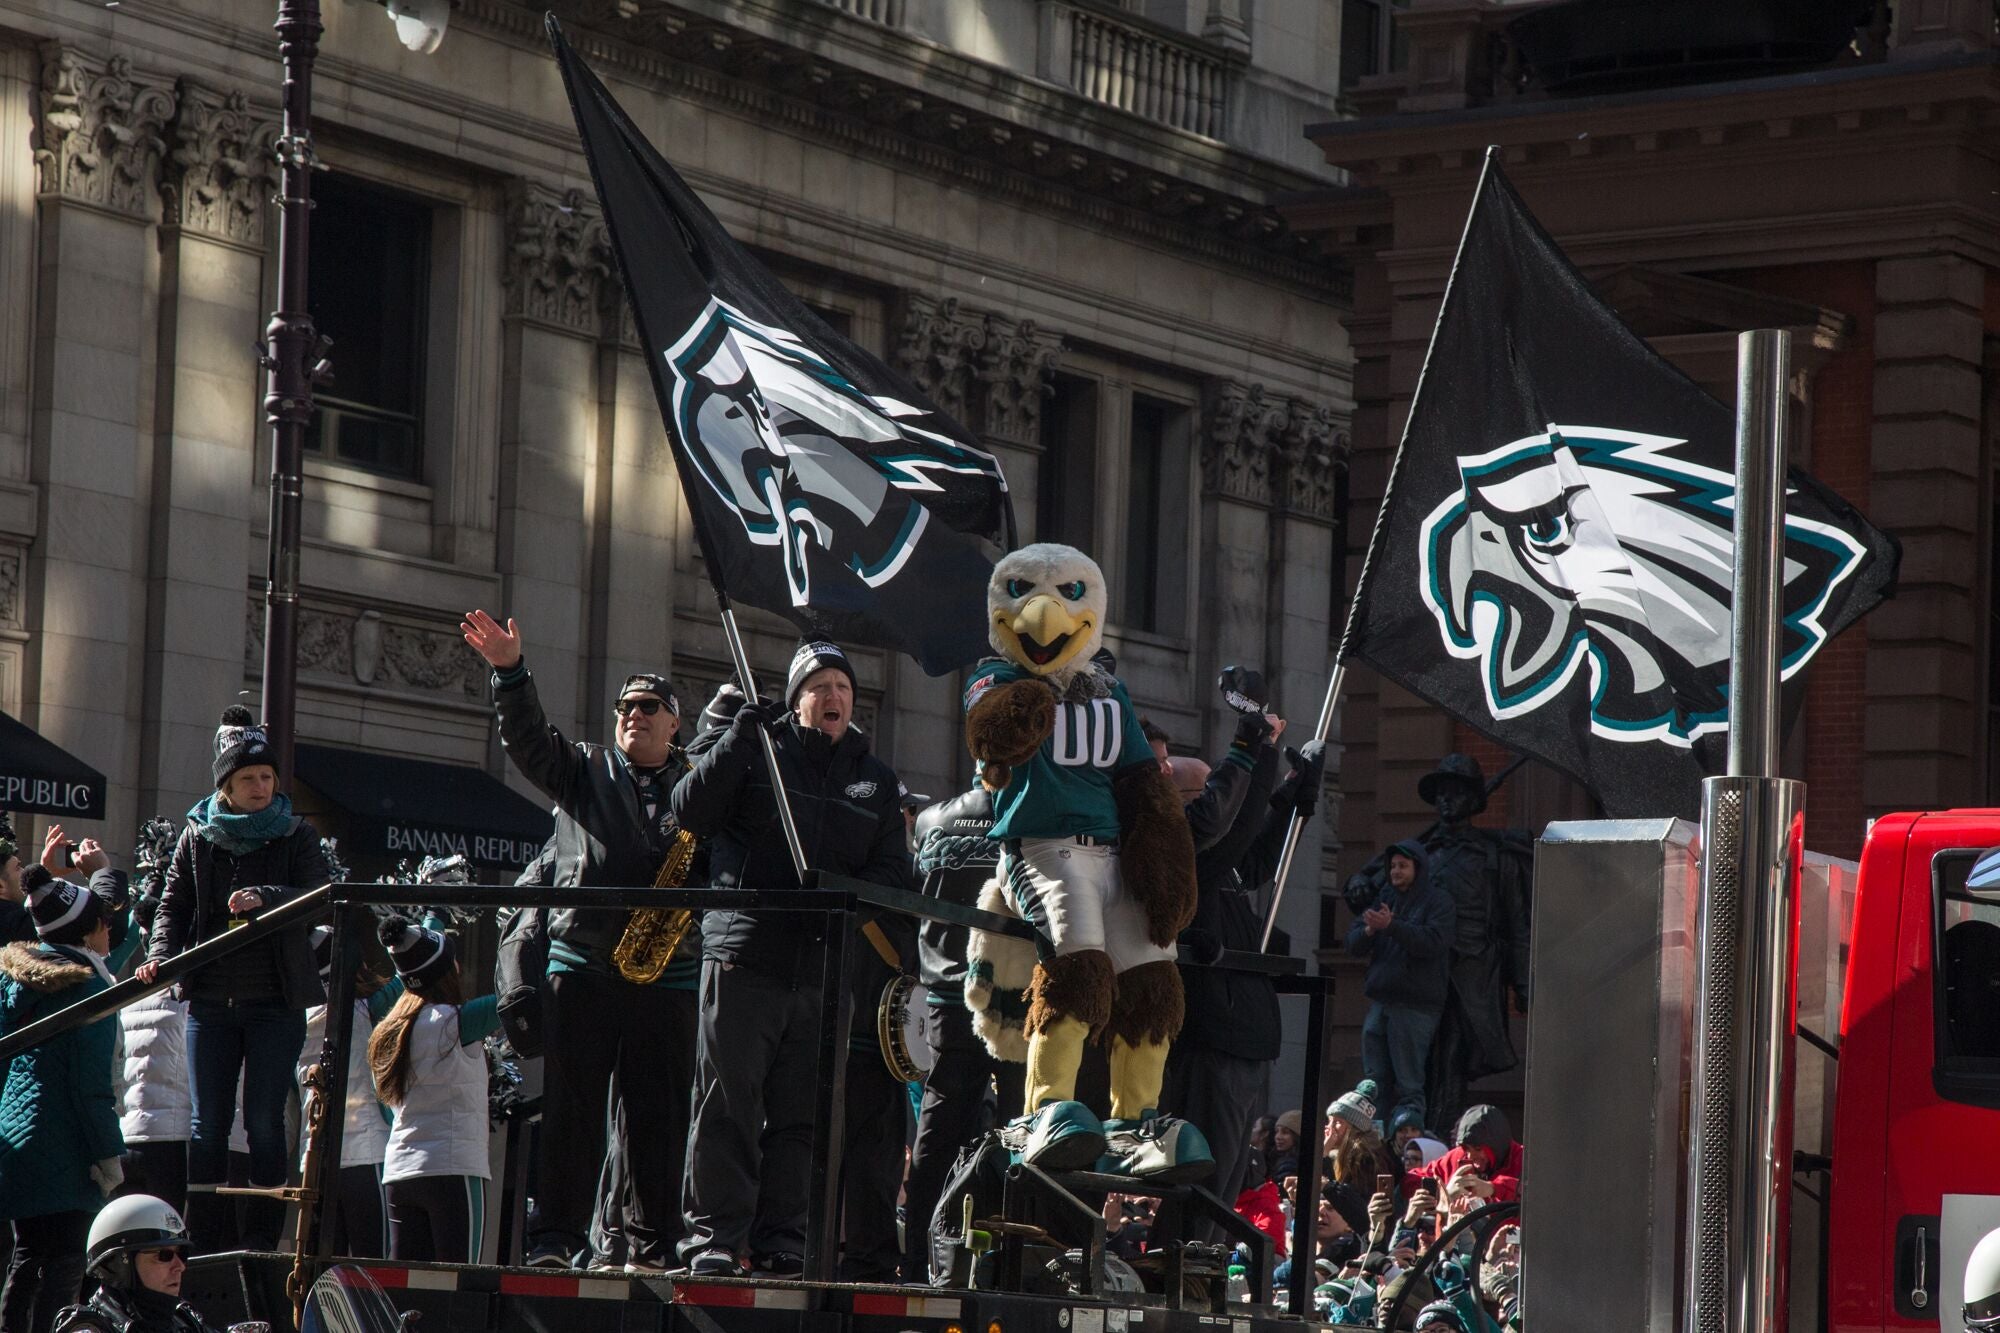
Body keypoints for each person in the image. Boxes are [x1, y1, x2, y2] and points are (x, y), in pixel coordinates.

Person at [462, 608, 696, 1272]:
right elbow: (531, 740)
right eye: (626, 705)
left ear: (675, 723)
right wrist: (511, 672)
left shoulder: (697, 788)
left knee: (659, 1119)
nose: (634, 713)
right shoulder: (587, 769)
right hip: (583, 967)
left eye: (650, 706)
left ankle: (653, 1246)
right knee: (571, 1116)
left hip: (667, 975)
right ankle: (556, 1240)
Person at [672, 640, 912, 1277]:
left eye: (843, 688)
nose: (833, 697)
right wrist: (737, 739)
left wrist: (840, 892)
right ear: (796, 697)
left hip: (823, 971)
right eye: (819, 686)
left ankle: (783, 1240)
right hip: (746, 956)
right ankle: (715, 1239)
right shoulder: (759, 749)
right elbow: (688, 811)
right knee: (727, 1104)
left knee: (803, 1120)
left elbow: (892, 871)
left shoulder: (876, 779)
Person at [135, 707, 328, 1252]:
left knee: (265, 1120)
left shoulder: (296, 834)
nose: (261, 786)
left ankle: (263, 1242)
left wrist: (267, 897)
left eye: (267, 777)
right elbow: (173, 903)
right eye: (249, 778)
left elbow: (322, 899)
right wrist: (160, 954)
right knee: (208, 1124)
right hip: (213, 1002)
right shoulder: (197, 836)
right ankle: (203, 1243)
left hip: (276, 1002)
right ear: (226, 784)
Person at [902, 782, 1022, 1280]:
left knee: (939, 1131)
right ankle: (1014, 1262)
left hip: (946, 995)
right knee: (1023, 1133)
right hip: (1011, 996)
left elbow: (913, 902)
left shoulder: (932, 819)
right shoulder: (1031, 815)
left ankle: (914, 1261)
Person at [1, 871, 124, 1333]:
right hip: (67, 1143)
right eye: (105, 923)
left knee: (28, 1255)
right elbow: (90, 1086)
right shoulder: (89, 989)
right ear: (88, 931)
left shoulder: (15, 980)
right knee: (67, 1261)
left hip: (15, 1137)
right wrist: (107, 1154)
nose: (111, 930)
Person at [368, 916, 500, 1264]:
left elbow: (385, 1105)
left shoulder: (387, 1032)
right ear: (448, 970)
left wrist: (430, 924)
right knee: (457, 1286)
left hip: (399, 1173)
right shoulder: (461, 1021)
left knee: (407, 1294)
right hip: (452, 1169)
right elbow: (518, 999)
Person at [300, 925, 401, 1259]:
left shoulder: (298, 1016)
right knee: (374, 1266)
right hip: (366, 1152)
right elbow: (415, 972)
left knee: (326, 1272)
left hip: (314, 1160)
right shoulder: (367, 1007)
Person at [1345, 841, 1455, 1131]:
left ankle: (1408, 1146)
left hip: (1415, 1007)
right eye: (1392, 865)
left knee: (1409, 1083)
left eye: (1402, 866)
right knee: (1372, 1082)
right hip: (1380, 1003)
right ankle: (1375, 1142)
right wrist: (1370, 929)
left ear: (1418, 869)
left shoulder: (1438, 902)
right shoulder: (1384, 898)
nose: (1395, 871)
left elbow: (1433, 942)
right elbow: (1352, 943)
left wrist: (1391, 927)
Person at [51, 1196, 217, 1333]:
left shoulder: (185, 1321)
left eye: (181, 1255)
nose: (179, 1266)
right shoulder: (91, 1330)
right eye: (164, 1255)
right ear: (118, 1265)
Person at [1409, 1104, 1522, 1207]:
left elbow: (1534, 1193)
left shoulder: (1525, 1159)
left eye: (1478, 1149)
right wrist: (1442, 1194)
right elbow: (1413, 1179)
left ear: (1496, 1145)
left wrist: (1493, 1188)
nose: (1470, 1156)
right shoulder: (1457, 1156)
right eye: (1466, 1148)